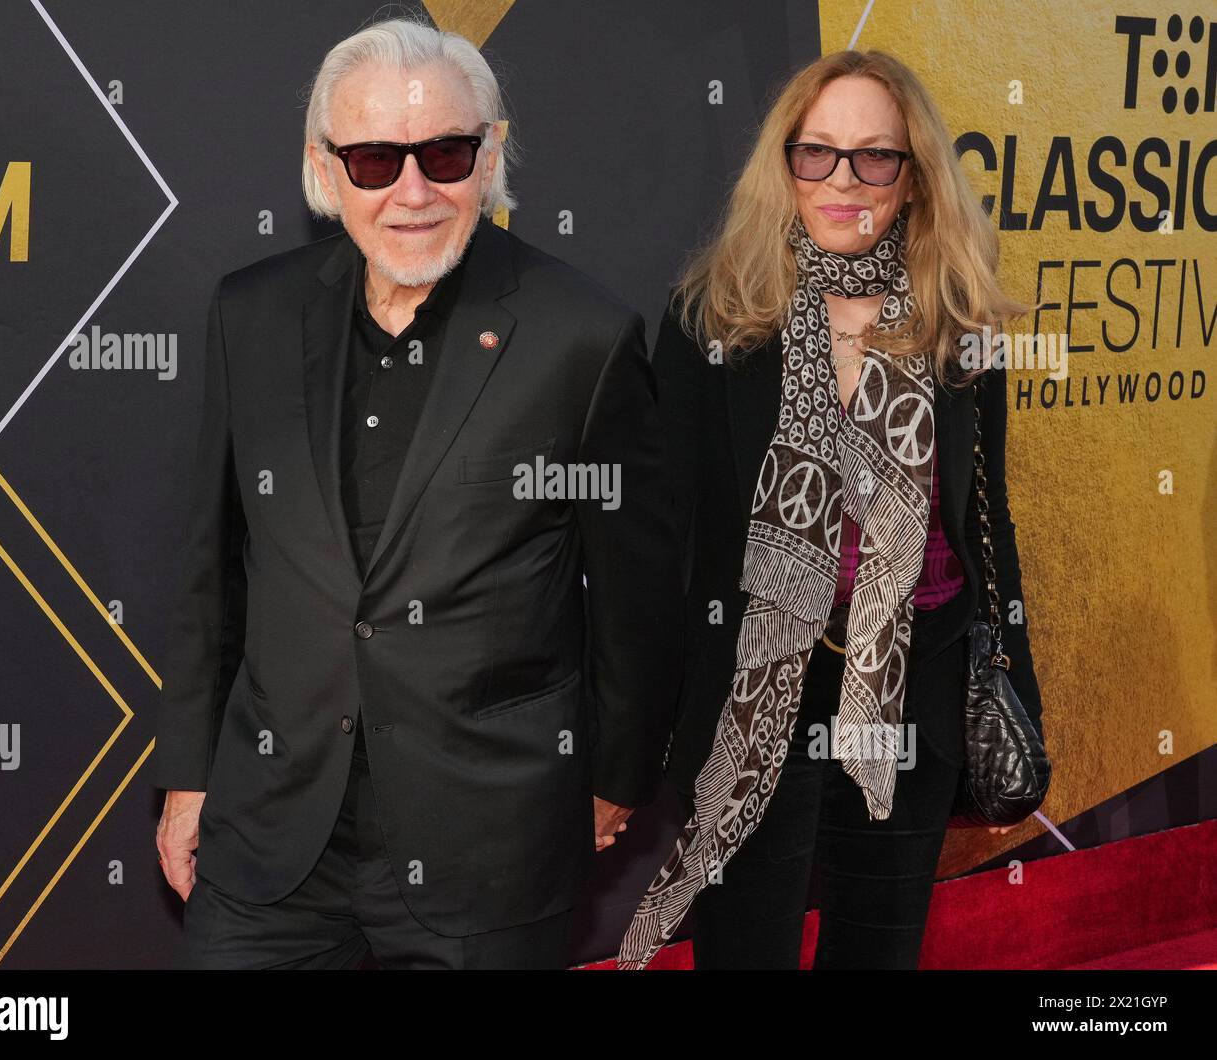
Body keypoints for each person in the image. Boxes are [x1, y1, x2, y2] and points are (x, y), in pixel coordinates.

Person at [153, 16, 681, 970]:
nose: (412, 191)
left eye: (443, 152)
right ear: (322, 166)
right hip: (271, 839)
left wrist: (613, 777)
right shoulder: (250, 316)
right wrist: (189, 776)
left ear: (491, 153)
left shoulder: (582, 337)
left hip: (488, 849)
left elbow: (639, 602)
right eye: (372, 160)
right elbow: (210, 571)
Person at [618, 48, 1044, 970]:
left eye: (874, 157)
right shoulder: (713, 319)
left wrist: (1022, 689)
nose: (843, 181)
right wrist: (650, 734)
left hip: (914, 684)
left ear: (914, 175)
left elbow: (986, 519)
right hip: (756, 689)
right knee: (746, 953)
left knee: (877, 956)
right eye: (817, 153)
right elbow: (667, 543)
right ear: (784, 165)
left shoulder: (957, 321)